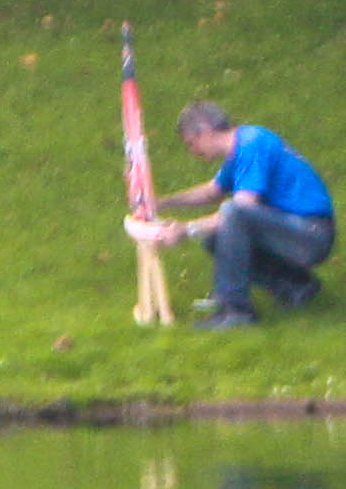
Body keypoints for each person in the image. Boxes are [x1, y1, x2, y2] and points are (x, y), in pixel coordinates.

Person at [138, 96, 335, 326]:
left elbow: (241, 210)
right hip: (300, 229)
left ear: (205, 132)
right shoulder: (241, 146)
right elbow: (213, 191)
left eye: (192, 143)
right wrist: (163, 202)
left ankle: (236, 310)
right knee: (216, 238)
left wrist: (186, 229)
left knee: (233, 214)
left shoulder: (251, 145)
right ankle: (296, 286)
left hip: (311, 234)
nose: (193, 151)